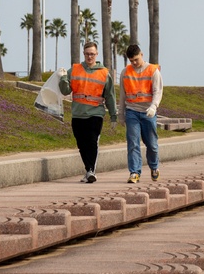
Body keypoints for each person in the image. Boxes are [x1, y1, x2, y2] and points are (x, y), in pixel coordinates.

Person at [58, 41, 117, 184]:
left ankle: (91, 170)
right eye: (87, 54)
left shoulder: (104, 73)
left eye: (92, 54)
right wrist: (63, 78)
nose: (89, 57)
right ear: (83, 54)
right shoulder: (74, 70)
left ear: (97, 54)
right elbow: (65, 90)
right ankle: (88, 170)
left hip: (95, 114)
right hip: (78, 114)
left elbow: (110, 95)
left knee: (91, 142)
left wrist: (113, 116)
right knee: (81, 144)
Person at [120, 44, 163, 183]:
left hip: (148, 112)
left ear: (142, 55)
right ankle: (134, 172)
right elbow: (122, 94)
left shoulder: (153, 71)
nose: (134, 63)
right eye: (131, 60)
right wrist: (121, 114)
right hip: (132, 111)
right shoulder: (125, 72)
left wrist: (153, 107)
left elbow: (158, 91)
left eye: (136, 60)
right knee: (133, 143)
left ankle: (154, 166)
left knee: (152, 144)